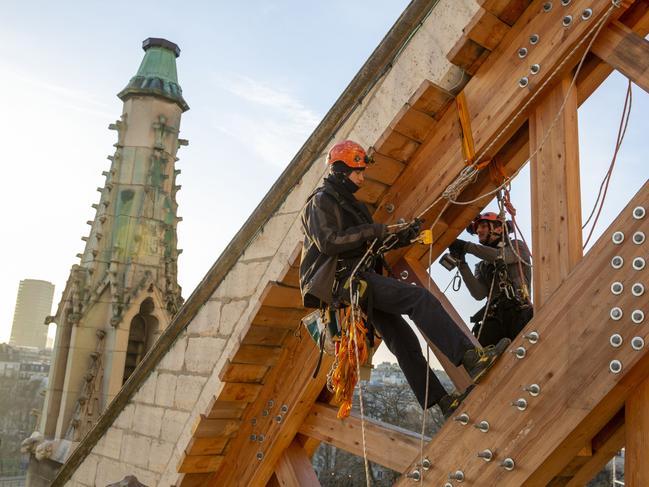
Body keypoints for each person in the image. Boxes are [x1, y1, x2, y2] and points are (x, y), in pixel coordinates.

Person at [299, 140, 510, 417]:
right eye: (357, 172)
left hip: (358, 280)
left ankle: (444, 403)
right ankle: (471, 359)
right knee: (419, 299)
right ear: (340, 171)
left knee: (403, 341)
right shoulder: (320, 201)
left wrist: (402, 236)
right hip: (345, 282)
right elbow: (329, 242)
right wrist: (376, 231)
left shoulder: (349, 204)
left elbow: (369, 244)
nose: (362, 178)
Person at [449, 212, 533, 347]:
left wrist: (466, 247)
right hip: (495, 317)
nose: (478, 231)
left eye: (483, 226)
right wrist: (462, 264)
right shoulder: (482, 265)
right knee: (483, 353)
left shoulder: (516, 246)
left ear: (499, 229)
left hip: (519, 312)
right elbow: (479, 294)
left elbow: (500, 256)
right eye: (477, 229)